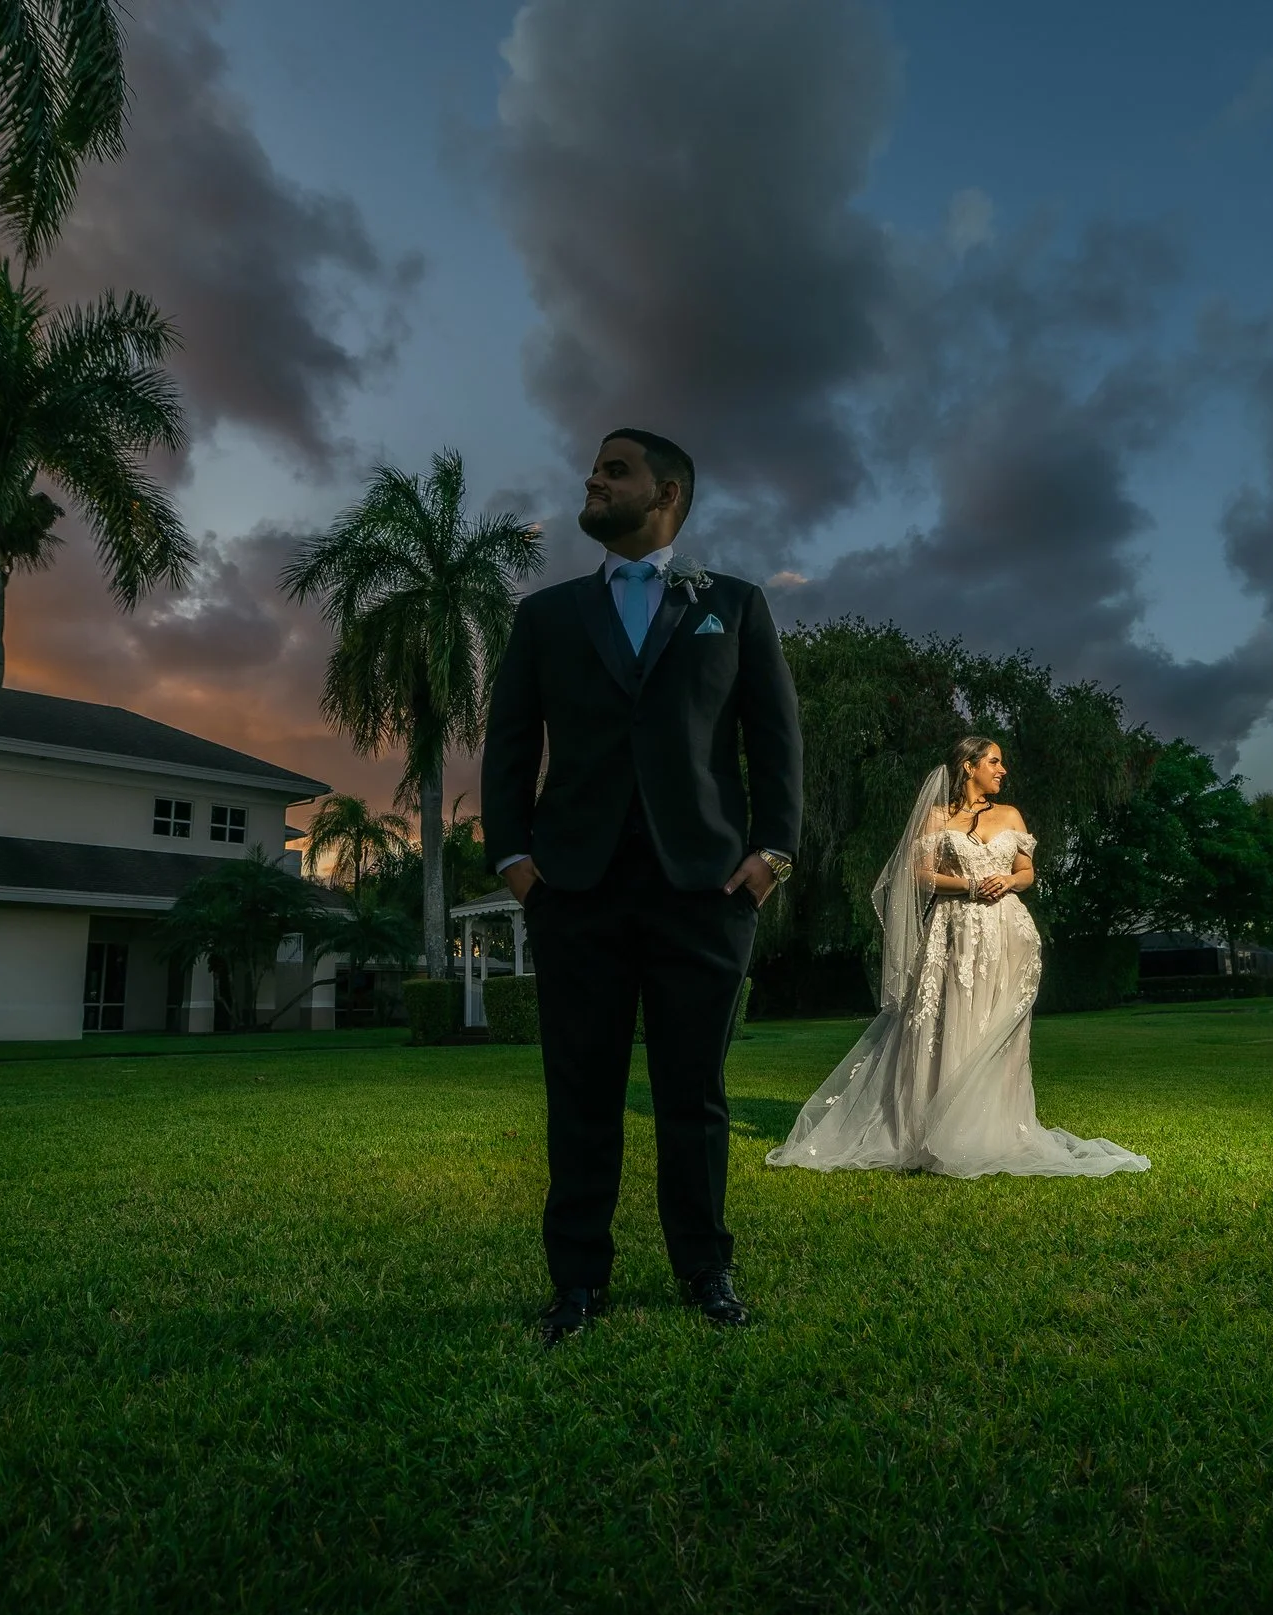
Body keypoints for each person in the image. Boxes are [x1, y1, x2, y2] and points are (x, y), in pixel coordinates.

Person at [482, 428, 803, 1345]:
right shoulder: (544, 617)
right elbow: (510, 744)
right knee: (579, 1088)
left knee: (693, 1091)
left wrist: (771, 854)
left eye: (613, 470)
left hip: (705, 887)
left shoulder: (733, 607)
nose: (592, 479)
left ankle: (705, 1268)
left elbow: (776, 742)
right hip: (573, 888)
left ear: (665, 494)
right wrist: (514, 859)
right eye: (594, 468)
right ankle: (577, 1281)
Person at [767, 738, 1148, 1179]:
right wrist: (967, 886)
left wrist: (1006, 880)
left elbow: (1027, 872)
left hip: (1008, 932)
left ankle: (995, 1128)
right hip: (954, 931)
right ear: (969, 767)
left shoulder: (1011, 815)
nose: (1002, 770)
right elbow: (919, 874)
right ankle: (933, 1129)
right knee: (947, 1021)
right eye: (994, 761)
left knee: (997, 1024)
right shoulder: (936, 818)